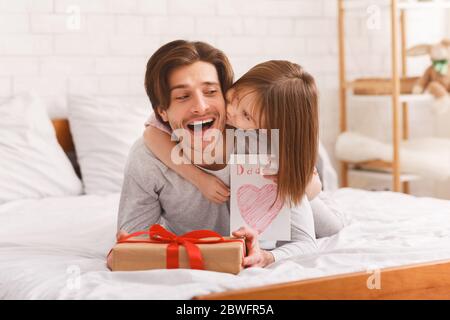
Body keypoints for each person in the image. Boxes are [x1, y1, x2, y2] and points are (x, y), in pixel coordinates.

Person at [114, 40, 319, 270]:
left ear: (225, 94)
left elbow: (305, 241)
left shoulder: (263, 143)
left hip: (298, 204)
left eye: (211, 92)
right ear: (162, 111)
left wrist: (269, 257)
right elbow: (129, 247)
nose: (200, 107)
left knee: (327, 221)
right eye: (183, 96)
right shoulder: (147, 157)